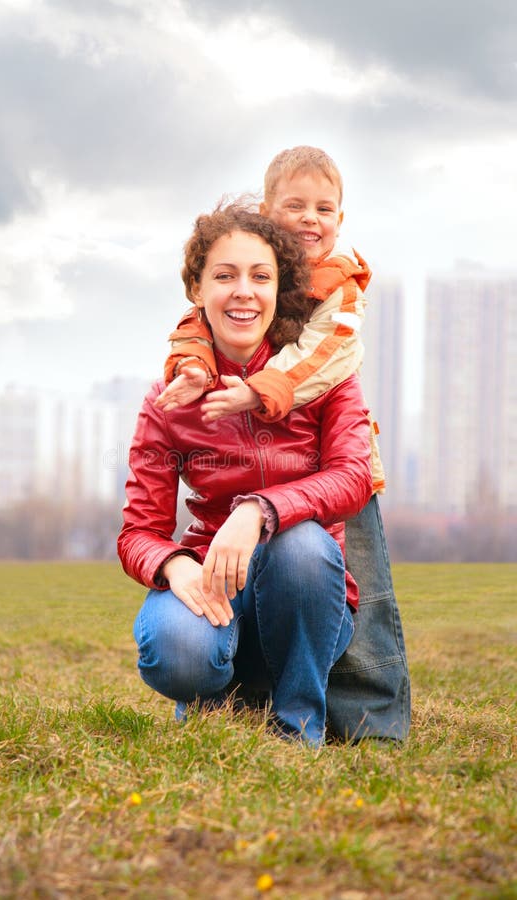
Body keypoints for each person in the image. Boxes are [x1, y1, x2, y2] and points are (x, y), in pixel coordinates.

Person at [155, 146, 411, 741]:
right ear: (269, 212)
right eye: (294, 205)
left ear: (341, 220)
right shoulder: (252, 266)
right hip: (255, 456)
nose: (310, 219)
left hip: (334, 457)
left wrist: (252, 392)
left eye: (324, 208)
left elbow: (331, 357)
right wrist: (190, 367)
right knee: (261, 577)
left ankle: (370, 722)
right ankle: (232, 697)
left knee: (357, 591)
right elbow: (194, 323)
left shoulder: (340, 283)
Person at [118, 203, 373, 749]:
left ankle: (298, 724)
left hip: (308, 589)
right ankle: (214, 707)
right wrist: (173, 566)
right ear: (196, 288)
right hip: (213, 579)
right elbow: (138, 532)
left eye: (261, 277)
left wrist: (258, 510)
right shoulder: (168, 399)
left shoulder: (324, 375)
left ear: (280, 290)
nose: (244, 292)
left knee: (301, 545)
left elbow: (353, 477)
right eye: (224, 276)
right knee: (177, 649)